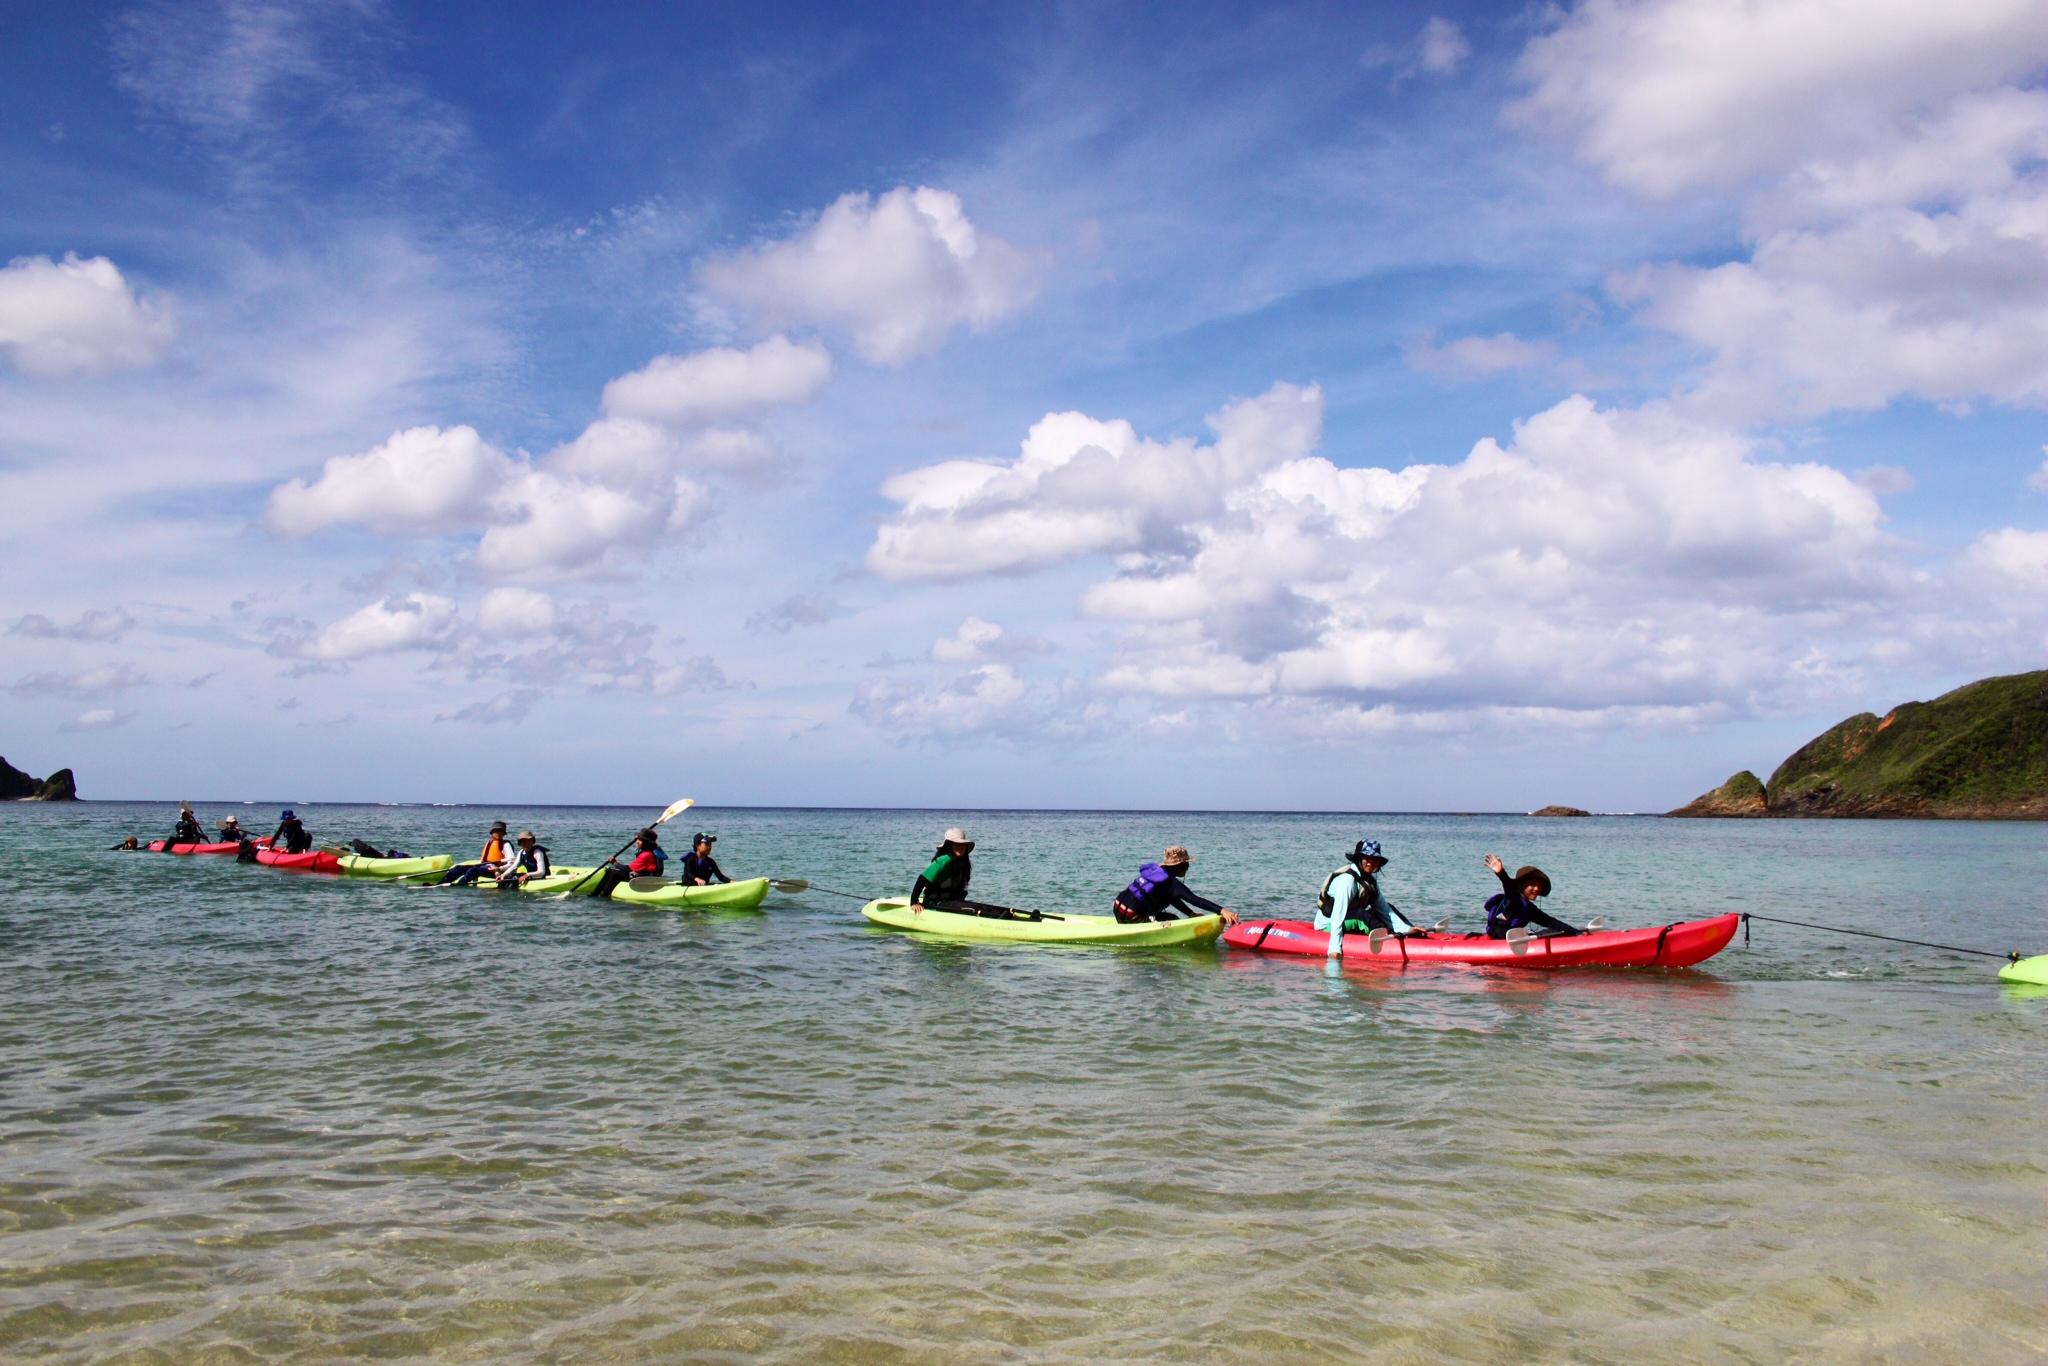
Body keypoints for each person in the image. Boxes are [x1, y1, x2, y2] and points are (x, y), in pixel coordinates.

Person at [1314, 839, 1424, 937]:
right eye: (1367, 858)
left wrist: (1407, 929)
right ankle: (1390, 937)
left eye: (1375, 859)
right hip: (1328, 924)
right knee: (1361, 915)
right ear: (1359, 859)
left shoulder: (1370, 883)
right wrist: (1334, 949)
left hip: (1349, 918)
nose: (1371, 863)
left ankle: (1412, 933)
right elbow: (1338, 915)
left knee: (1388, 908)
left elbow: (1384, 911)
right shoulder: (1347, 880)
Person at [1112, 845, 1239, 926]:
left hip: (1118, 910)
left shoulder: (1156, 875)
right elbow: (1195, 900)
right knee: (1173, 920)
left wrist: (1190, 914)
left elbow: (1172, 898)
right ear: (1181, 866)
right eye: (1187, 865)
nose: (1188, 868)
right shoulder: (1171, 883)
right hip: (1132, 917)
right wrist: (1223, 911)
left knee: (1164, 909)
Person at [1482, 852, 1580, 939]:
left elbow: (1550, 922)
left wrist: (1577, 932)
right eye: (1533, 885)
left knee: (1555, 931)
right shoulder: (1512, 898)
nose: (1537, 889)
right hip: (1500, 940)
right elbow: (1508, 886)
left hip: (1513, 939)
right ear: (1521, 885)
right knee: (1550, 933)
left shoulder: (1530, 909)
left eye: (1539, 886)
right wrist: (1501, 873)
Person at [588, 828, 664, 898]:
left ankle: (603, 894)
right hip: (651, 876)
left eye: (640, 840)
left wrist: (614, 863)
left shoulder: (646, 854)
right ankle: (598, 892)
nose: (637, 842)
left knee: (614, 873)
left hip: (646, 878)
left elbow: (627, 869)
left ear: (647, 843)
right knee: (612, 871)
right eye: (637, 839)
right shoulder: (654, 850)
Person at [910, 828, 976, 907]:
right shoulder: (944, 860)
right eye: (956, 844)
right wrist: (914, 902)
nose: (960, 846)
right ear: (949, 846)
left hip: (952, 903)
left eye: (962, 844)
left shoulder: (964, 863)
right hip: (934, 903)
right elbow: (922, 879)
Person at [436, 820, 510, 887]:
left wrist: (499, 868)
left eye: (501, 832)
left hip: (497, 870)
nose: (499, 833)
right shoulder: (489, 843)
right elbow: (483, 861)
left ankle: (460, 885)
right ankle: (440, 883)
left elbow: (511, 863)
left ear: (504, 834)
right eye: (496, 831)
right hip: (485, 867)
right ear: (492, 832)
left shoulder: (506, 845)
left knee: (473, 870)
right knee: (458, 868)